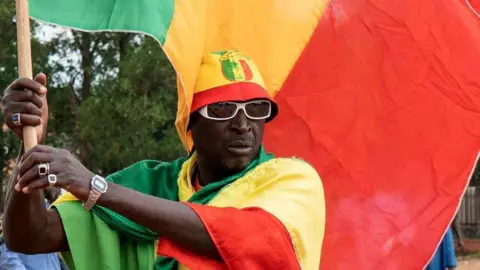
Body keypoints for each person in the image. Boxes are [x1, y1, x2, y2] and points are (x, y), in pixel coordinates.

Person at [1, 50, 325, 269]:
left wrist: (96, 187)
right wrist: (31, 147)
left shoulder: (292, 179)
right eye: (222, 110)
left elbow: (253, 239)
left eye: (256, 109)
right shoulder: (151, 185)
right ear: (191, 125)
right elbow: (28, 237)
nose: (243, 125)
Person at [0, 188, 69, 270]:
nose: (57, 188)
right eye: (52, 180)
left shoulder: (52, 210)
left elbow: (55, 255)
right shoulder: (20, 210)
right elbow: (7, 253)